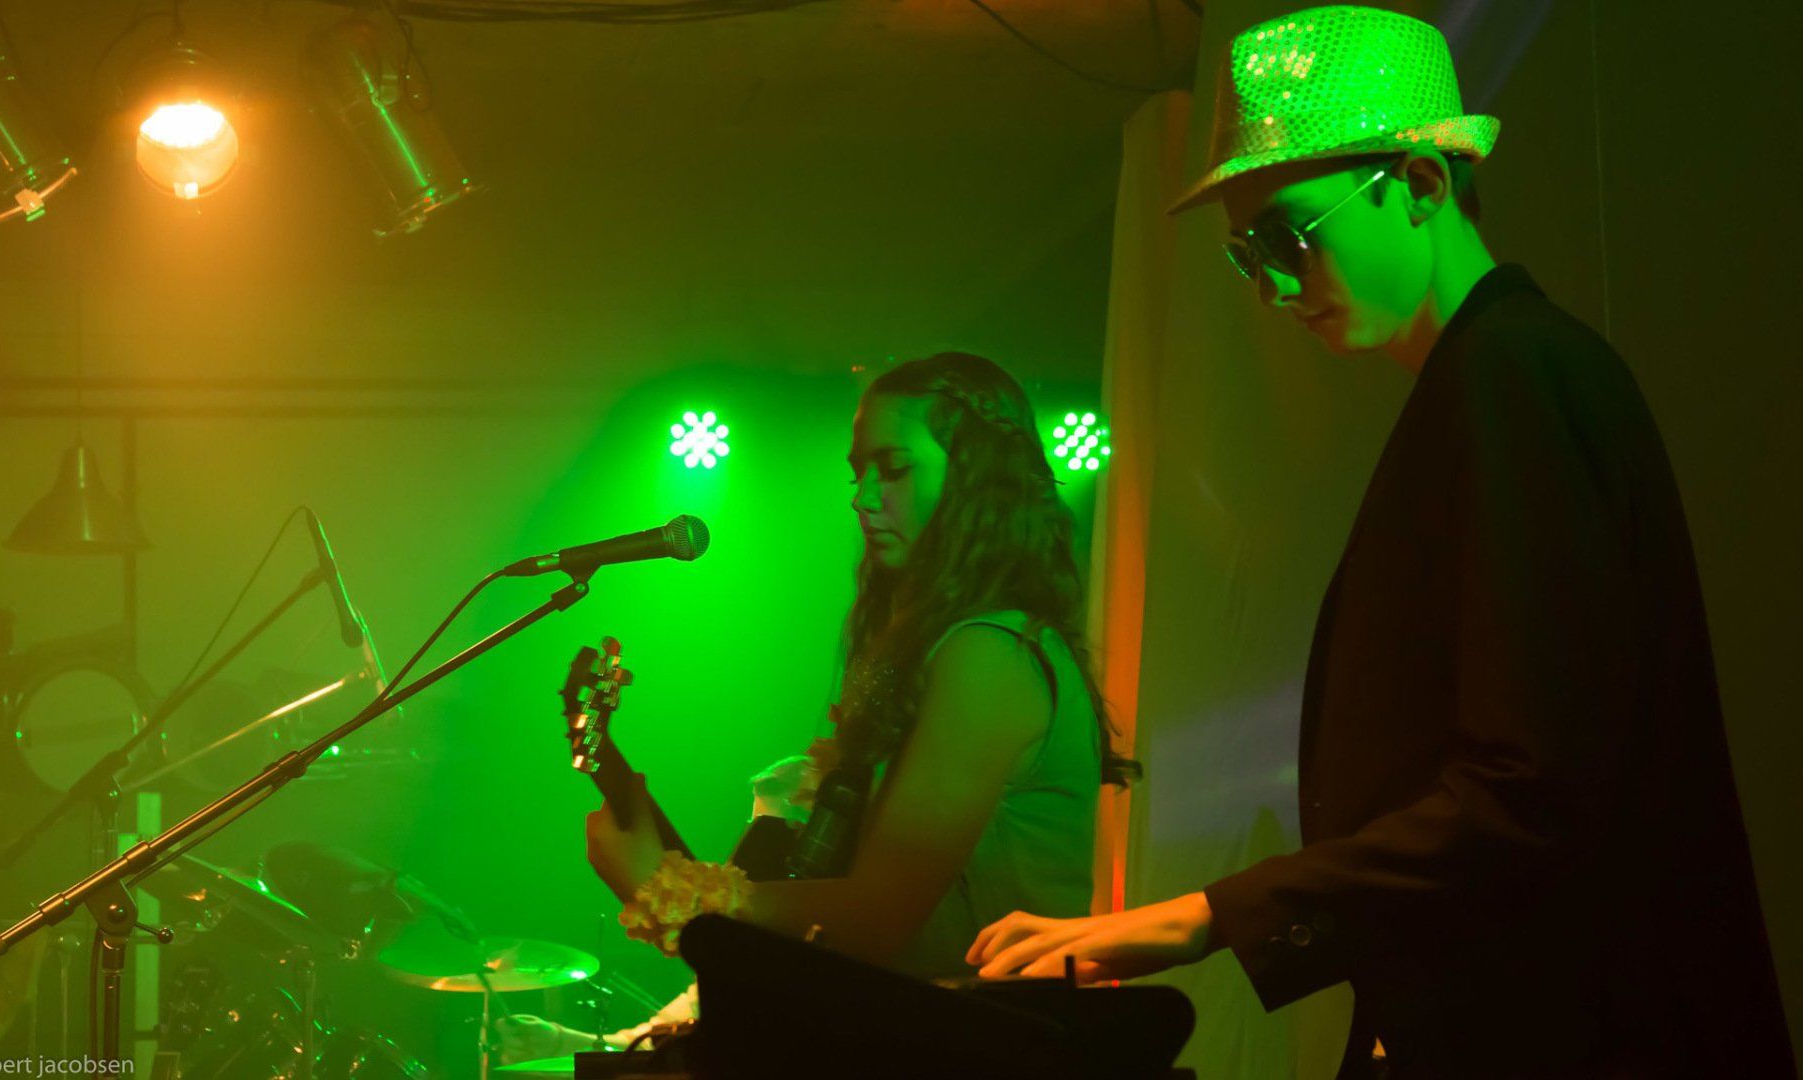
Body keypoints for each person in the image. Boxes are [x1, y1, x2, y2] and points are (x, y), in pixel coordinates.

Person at [968, 7, 1793, 1077]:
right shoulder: (1488, 383)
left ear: (1421, 184)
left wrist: (1194, 918)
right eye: (1243, 255)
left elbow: (1529, 790)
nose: (1269, 286)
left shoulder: (1516, 378)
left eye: (1287, 238)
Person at [584, 351, 1135, 980]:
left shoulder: (992, 653)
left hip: (978, 1031)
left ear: (978, 482)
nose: (863, 498)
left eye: (894, 469)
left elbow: (878, 918)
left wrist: (668, 892)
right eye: (858, 474)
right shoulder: (937, 648)